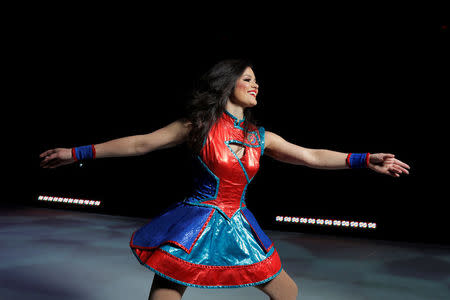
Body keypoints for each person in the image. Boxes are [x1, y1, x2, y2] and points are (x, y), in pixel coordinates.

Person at [40, 59, 410, 300]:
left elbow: (311, 156)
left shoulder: (261, 136)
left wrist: (364, 159)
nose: (256, 85)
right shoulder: (197, 126)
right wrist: (76, 153)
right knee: (166, 294)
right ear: (227, 83)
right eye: (248, 79)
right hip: (194, 224)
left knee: (287, 293)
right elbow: (141, 143)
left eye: (257, 81)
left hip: (239, 225)